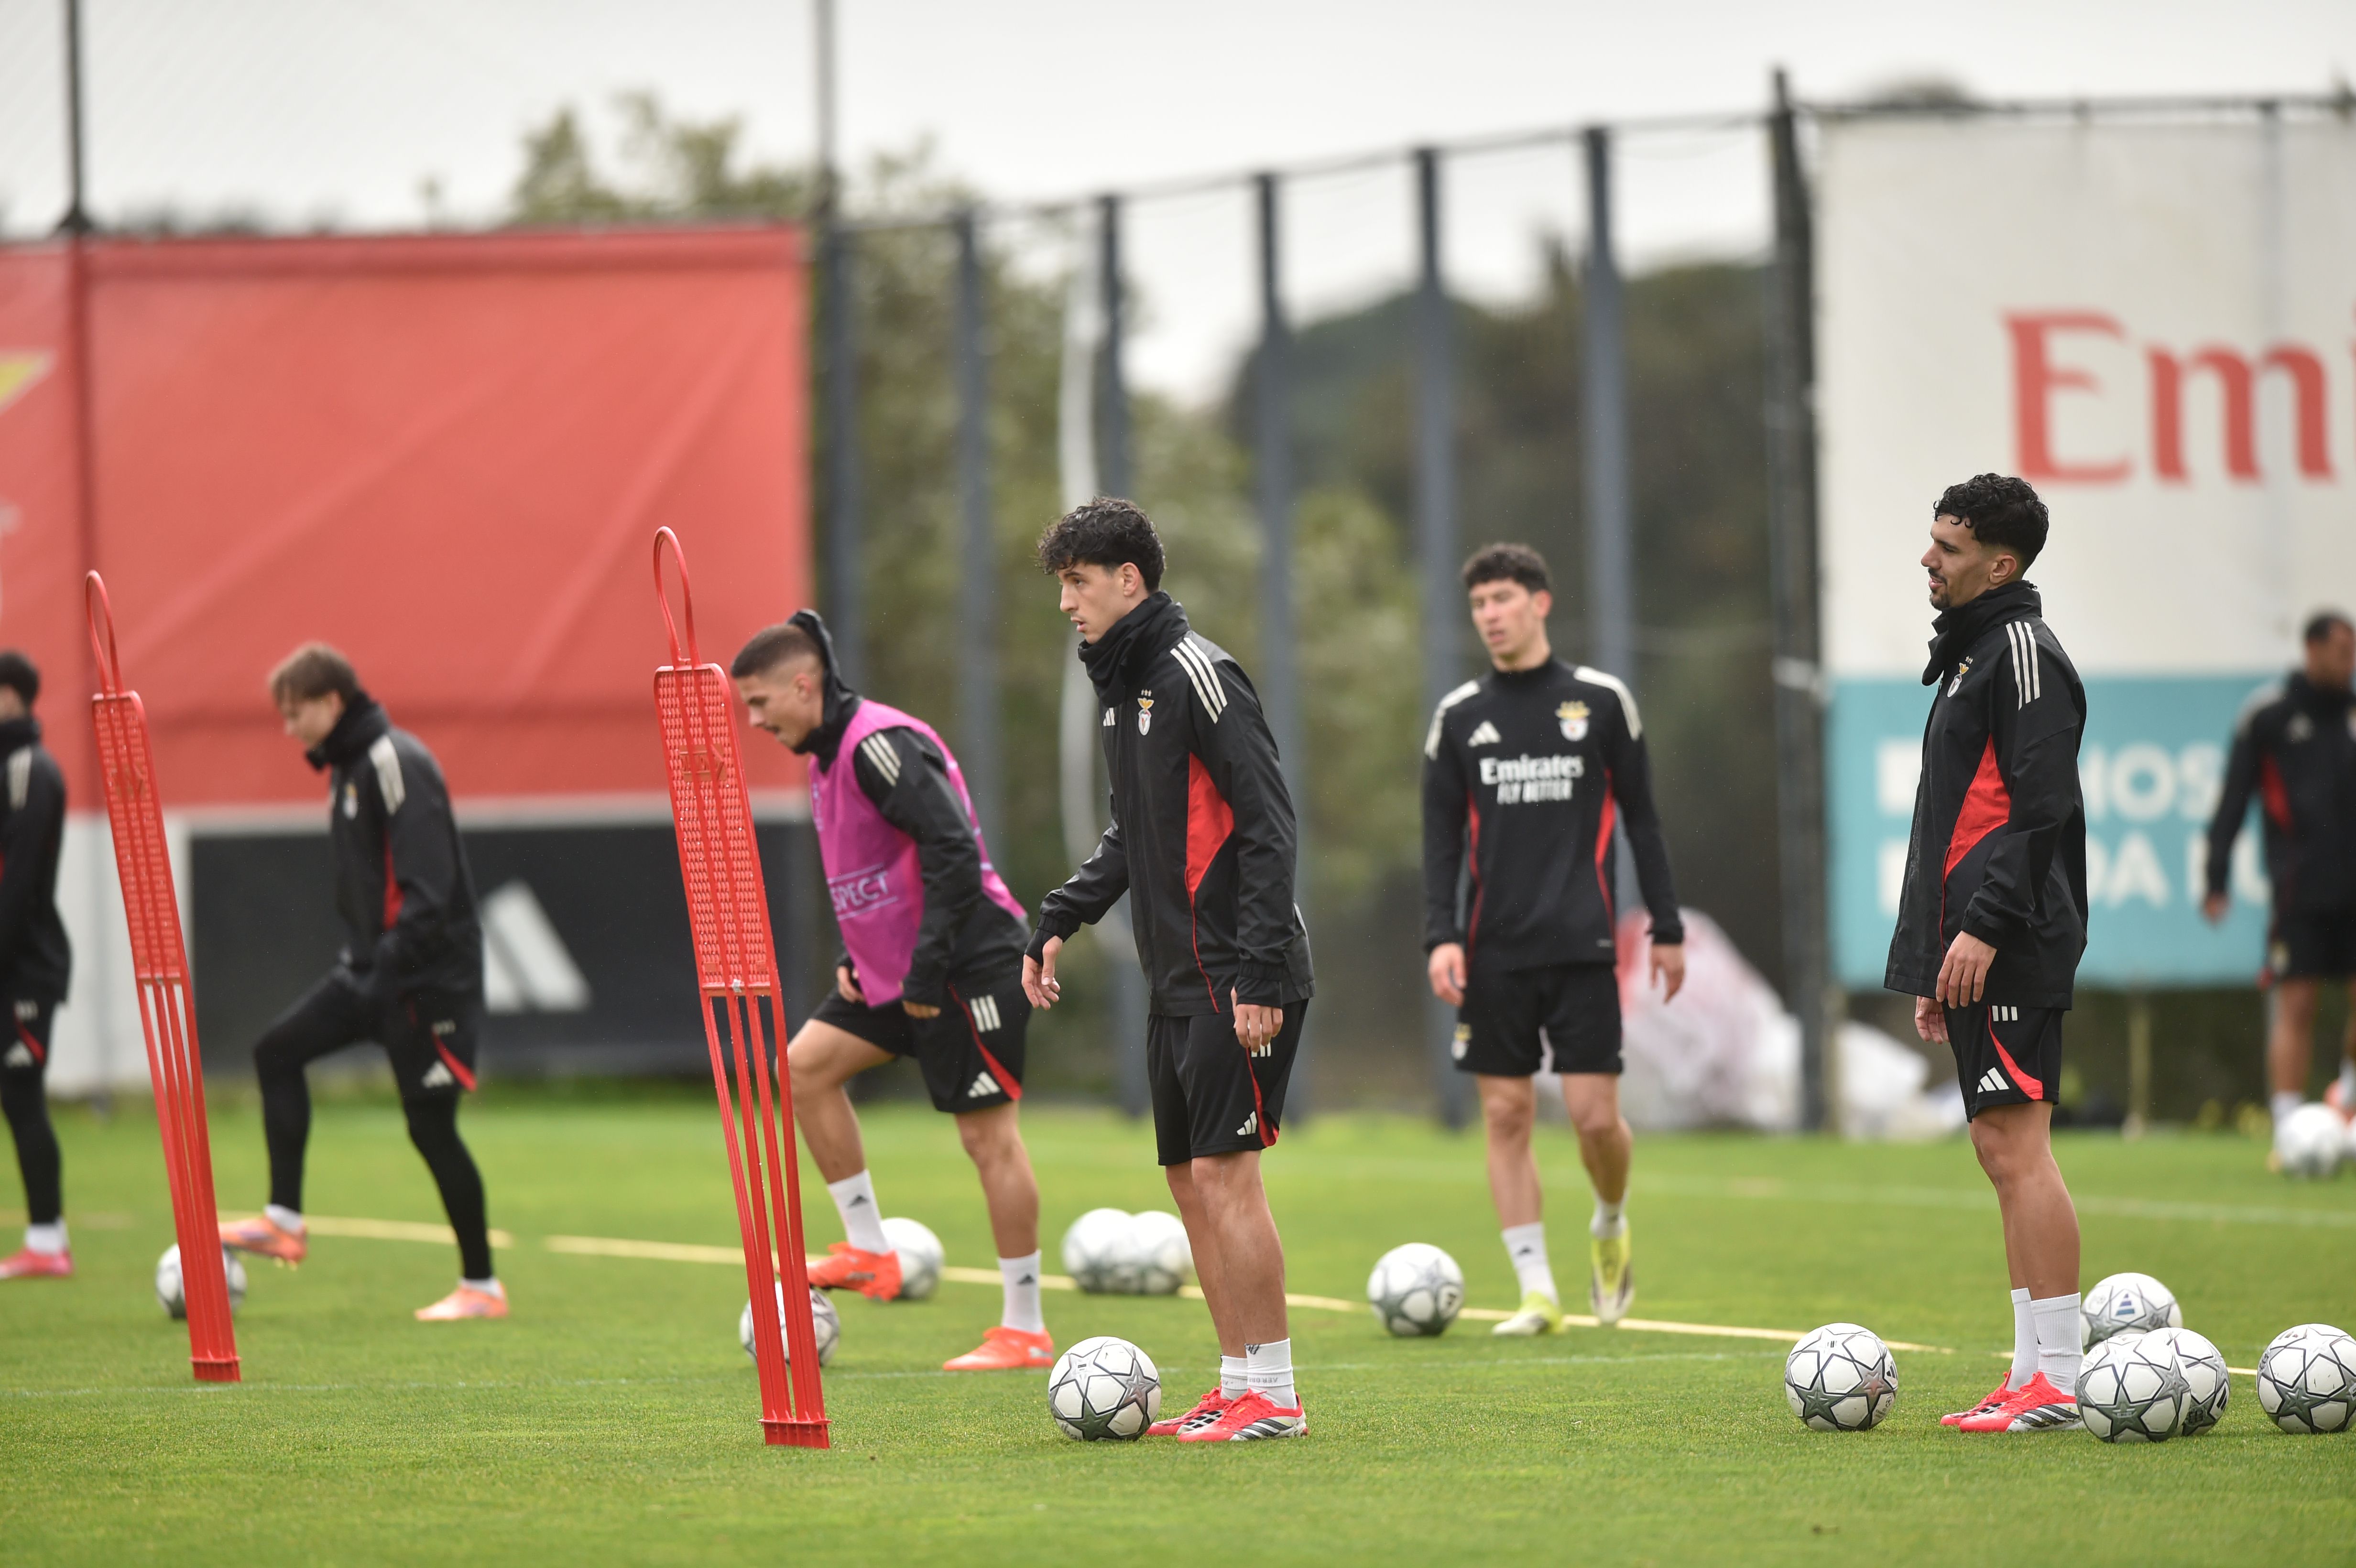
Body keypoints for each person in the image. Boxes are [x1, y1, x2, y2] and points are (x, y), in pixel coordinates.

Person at [1023, 498, 1316, 1442]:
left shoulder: (1199, 673)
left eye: (1077, 582)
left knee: (1229, 1177)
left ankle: (1275, 1394)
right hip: (1174, 979)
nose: (1066, 602)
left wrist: (1261, 972)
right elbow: (1133, 832)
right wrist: (1062, 913)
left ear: (1129, 579)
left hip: (1236, 974)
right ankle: (1236, 1380)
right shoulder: (1124, 686)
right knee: (1191, 1182)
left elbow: (1267, 823)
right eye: (1061, 584)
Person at [732, 611, 1053, 1372]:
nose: (753, 720)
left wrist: (921, 966)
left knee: (988, 1141)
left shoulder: (879, 745)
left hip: (968, 966)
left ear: (803, 686)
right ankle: (870, 1250)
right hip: (900, 973)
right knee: (801, 1071)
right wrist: (858, 952)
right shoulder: (822, 756)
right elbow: (874, 868)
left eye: (759, 702)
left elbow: (951, 849)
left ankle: (1026, 1328)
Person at [1420, 544, 1684, 1335]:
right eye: (1478, 605)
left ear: (1540, 601)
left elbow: (1641, 819)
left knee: (1594, 1119)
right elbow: (1437, 840)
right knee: (1504, 1114)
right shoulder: (1459, 716)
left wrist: (1665, 927)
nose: (1489, 616)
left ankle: (1609, 1220)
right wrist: (1440, 935)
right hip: (1490, 949)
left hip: (1580, 945)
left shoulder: (1600, 703)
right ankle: (1536, 1290)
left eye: (1502, 599)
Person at [1887, 474, 2089, 1433]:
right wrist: (1935, 953)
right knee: (1995, 1148)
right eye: (1932, 541)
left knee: (2019, 1147)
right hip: (1973, 943)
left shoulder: (2021, 652)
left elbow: (2038, 809)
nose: (1929, 557)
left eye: (1950, 547)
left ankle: (2059, 1377)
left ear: (1999, 564)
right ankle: (2027, 1373)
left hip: (2011, 938)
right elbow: (1950, 822)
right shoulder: (1974, 655)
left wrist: (1981, 928)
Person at [217, 645, 502, 1321]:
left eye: (295, 714)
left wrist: (386, 971)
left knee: (432, 1130)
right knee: (276, 1052)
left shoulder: (394, 761)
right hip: (377, 972)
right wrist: (366, 967)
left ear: (332, 703)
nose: (288, 729)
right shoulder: (347, 769)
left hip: (429, 982)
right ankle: (284, 1220)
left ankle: (483, 1289)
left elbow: (429, 895)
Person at [2202, 611, 2356, 1143]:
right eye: (2341, 652)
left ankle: (2349, 1101)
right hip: (2299, 888)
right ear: (2311, 650)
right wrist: (2215, 877)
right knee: (2297, 1003)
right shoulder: (2267, 715)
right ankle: (2288, 1124)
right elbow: (2232, 798)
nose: (2349, 663)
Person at [0, 653, 74, 1282]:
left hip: (24, 969)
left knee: (22, 1097)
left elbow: (19, 883)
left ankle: (49, 1241)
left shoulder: (31, 768)